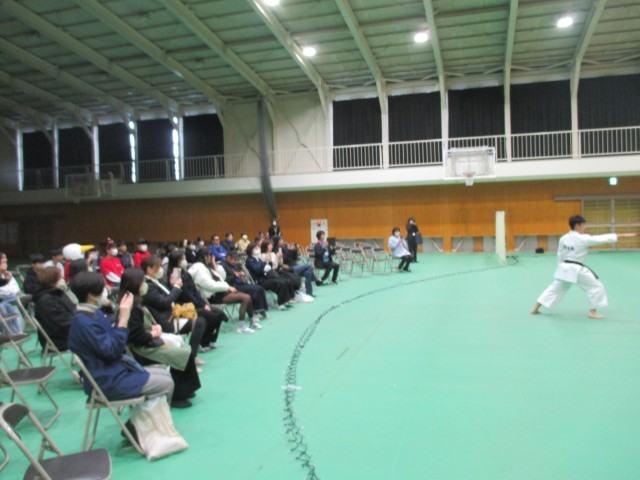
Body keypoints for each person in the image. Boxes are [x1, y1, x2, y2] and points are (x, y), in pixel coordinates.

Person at [68, 271, 174, 403]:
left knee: (166, 374)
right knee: (167, 383)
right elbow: (113, 351)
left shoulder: (94, 314)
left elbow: (113, 338)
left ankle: (148, 415)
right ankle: (146, 416)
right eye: (102, 288)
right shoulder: (83, 323)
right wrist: (123, 319)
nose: (107, 290)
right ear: (90, 295)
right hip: (108, 380)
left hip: (115, 370)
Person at [120, 268, 200, 408]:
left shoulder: (136, 301)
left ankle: (186, 389)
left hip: (148, 341)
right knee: (180, 354)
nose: (145, 284)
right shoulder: (130, 307)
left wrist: (154, 328)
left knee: (184, 350)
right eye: (143, 282)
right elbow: (136, 336)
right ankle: (177, 395)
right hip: (142, 350)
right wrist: (153, 334)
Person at [531, 215, 636, 319]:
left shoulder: (563, 238)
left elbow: (560, 254)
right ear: (578, 225)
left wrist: (560, 268)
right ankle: (592, 312)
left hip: (564, 268)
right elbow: (601, 238)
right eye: (584, 225)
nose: (585, 227)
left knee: (554, 289)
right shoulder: (583, 239)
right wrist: (622, 235)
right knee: (596, 286)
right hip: (576, 269)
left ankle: (535, 309)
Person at [140, 255, 208, 365]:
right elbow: (164, 303)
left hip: (173, 314)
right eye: (158, 267)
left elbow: (169, 296)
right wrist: (176, 287)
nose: (161, 269)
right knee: (199, 323)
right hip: (166, 321)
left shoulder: (157, 281)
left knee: (201, 319)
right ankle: (191, 357)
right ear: (149, 269)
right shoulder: (149, 286)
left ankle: (191, 355)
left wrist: (172, 286)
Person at [189, 247, 261, 334]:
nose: (212, 258)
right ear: (205, 256)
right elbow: (210, 285)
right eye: (210, 256)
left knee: (247, 297)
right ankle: (241, 327)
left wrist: (215, 266)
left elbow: (221, 277)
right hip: (213, 296)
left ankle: (252, 322)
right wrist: (227, 287)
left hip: (219, 292)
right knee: (246, 298)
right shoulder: (199, 269)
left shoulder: (205, 266)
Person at [167, 249, 226, 349]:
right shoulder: (174, 275)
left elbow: (195, 291)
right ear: (177, 261)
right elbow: (186, 295)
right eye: (182, 259)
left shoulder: (186, 273)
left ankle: (211, 340)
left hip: (196, 303)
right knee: (212, 316)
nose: (185, 261)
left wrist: (204, 304)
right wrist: (202, 305)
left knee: (219, 313)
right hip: (184, 306)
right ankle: (202, 342)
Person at [33, 266, 75, 351]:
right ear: (52, 280)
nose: (63, 280)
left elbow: (73, 309)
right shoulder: (46, 300)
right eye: (60, 278)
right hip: (59, 339)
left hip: (67, 332)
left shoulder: (58, 292)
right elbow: (63, 323)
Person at [245, 242, 293, 310]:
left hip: (265, 277)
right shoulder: (249, 260)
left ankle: (285, 301)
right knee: (280, 283)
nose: (258, 249)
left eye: (258, 248)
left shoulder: (258, 259)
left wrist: (269, 262)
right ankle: (280, 304)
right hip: (259, 281)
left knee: (285, 281)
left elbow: (268, 267)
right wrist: (265, 262)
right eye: (255, 248)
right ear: (250, 250)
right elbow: (257, 270)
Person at [222, 252, 269, 318]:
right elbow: (223, 279)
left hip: (240, 284)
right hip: (232, 286)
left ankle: (261, 309)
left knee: (260, 288)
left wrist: (241, 273)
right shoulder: (223, 266)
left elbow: (239, 274)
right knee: (255, 290)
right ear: (228, 258)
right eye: (233, 259)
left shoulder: (234, 265)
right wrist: (235, 275)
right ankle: (254, 312)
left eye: (235, 259)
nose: (234, 261)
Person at [0, 251, 24, 333]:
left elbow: (15, 288)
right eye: (4, 260)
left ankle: (18, 332)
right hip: (4, 298)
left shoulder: (7, 274)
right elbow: (3, 291)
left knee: (11, 304)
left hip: (10, 298)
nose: (6, 262)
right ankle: (11, 332)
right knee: (3, 306)